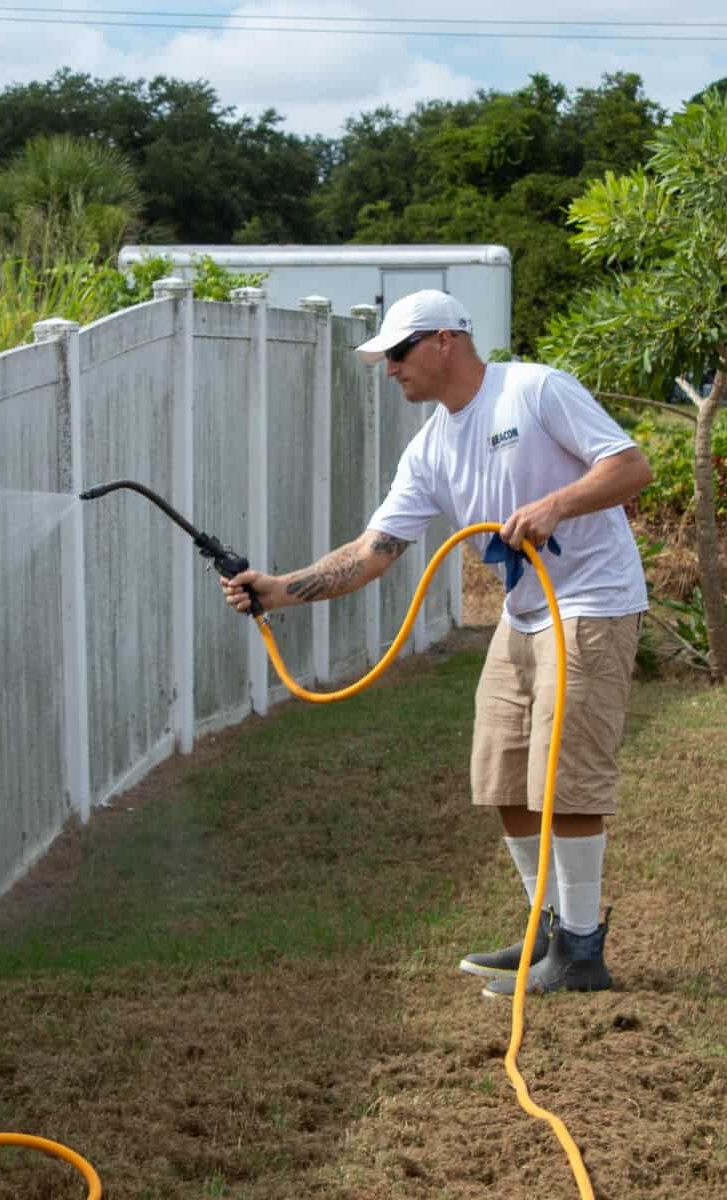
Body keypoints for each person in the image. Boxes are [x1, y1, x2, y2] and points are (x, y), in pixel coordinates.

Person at [222, 289, 652, 997]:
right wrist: (279, 590)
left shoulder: (536, 390)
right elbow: (372, 551)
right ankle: (547, 930)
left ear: (445, 340)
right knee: (504, 769)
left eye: (398, 352)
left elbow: (632, 467)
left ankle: (581, 950)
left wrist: (554, 504)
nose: (390, 369)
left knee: (563, 776)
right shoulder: (430, 448)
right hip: (524, 614)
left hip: (589, 603)